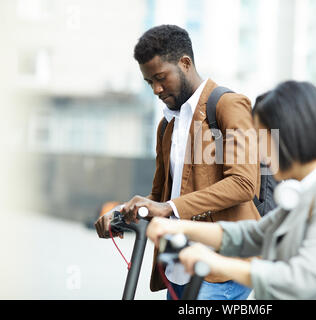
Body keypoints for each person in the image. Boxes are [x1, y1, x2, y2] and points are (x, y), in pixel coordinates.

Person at [147, 81, 316, 300]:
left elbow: (300, 280)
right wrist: (177, 226)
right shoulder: (309, 191)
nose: (259, 154)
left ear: (291, 136)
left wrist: (214, 261)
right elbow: (252, 235)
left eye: (262, 138)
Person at [94, 25, 260, 300]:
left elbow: (243, 183)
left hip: (221, 269)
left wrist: (168, 207)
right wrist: (123, 212)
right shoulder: (166, 125)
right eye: (149, 82)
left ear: (185, 63)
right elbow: (160, 198)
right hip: (179, 267)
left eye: (161, 78)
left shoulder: (227, 105)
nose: (156, 89)